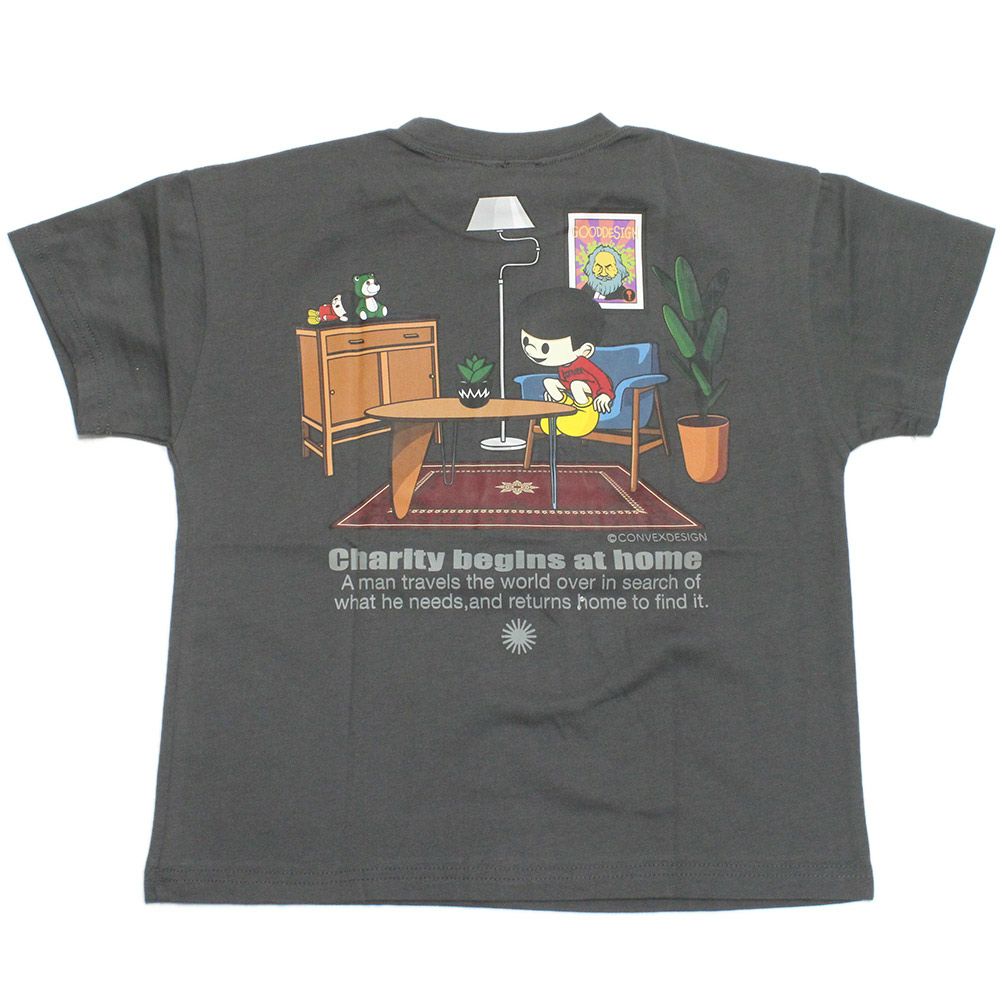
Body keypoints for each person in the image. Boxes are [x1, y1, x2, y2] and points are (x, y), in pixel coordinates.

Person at [518, 287, 614, 437]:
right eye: (526, 341)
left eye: (545, 348)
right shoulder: (563, 365)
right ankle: (564, 404)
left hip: (590, 397)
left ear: (585, 351)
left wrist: (605, 395)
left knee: (576, 385)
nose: (530, 350)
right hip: (571, 393)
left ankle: (581, 409)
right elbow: (564, 381)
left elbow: (602, 379)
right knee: (549, 382)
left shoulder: (584, 364)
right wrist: (557, 392)